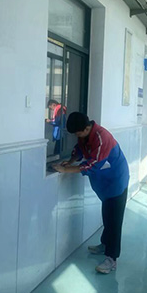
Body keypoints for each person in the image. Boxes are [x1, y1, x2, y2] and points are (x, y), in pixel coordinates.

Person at [52, 112, 129, 274]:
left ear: (87, 128)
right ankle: (105, 245)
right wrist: (70, 161)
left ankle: (111, 259)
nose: (77, 136)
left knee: (114, 221)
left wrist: (66, 169)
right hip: (105, 184)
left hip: (116, 181)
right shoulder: (85, 136)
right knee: (107, 215)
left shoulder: (102, 138)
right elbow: (79, 150)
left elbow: (92, 166)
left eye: (78, 133)